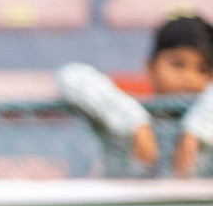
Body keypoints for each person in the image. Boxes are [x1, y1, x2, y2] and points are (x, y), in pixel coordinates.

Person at [59, 15, 213, 178]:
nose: (190, 77)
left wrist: (198, 129)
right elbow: (69, 76)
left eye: (203, 69)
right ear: (151, 67)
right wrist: (135, 122)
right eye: (178, 65)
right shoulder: (124, 119)